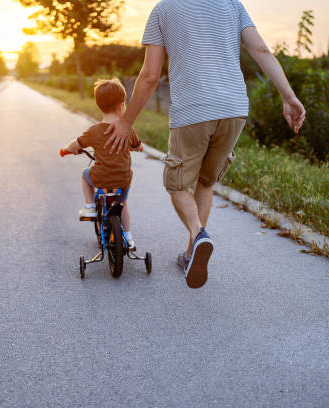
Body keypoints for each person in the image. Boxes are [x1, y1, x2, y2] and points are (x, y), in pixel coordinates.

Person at [105, 0, 306, 289]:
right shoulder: (231, 4)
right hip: (235, 108)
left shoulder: (163, 10)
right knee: (206, 181)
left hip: (193, 110)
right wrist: (288, 96)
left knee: (177, 185)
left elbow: (150, 76)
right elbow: (261, 50)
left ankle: (198, 234)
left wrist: (127, 122)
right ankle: (190, 253)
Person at [62, 79, 144, 249]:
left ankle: (90, 206)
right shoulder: (128, 130)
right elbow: (138, 145)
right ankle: (128, 239)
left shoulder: (93, 131)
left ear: (99, 106)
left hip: (100, 178)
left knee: (85, 174)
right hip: (123, 180)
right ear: (122, 106)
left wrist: (66, 150)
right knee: (123, 205)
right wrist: (138, 147)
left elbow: (75, 144)